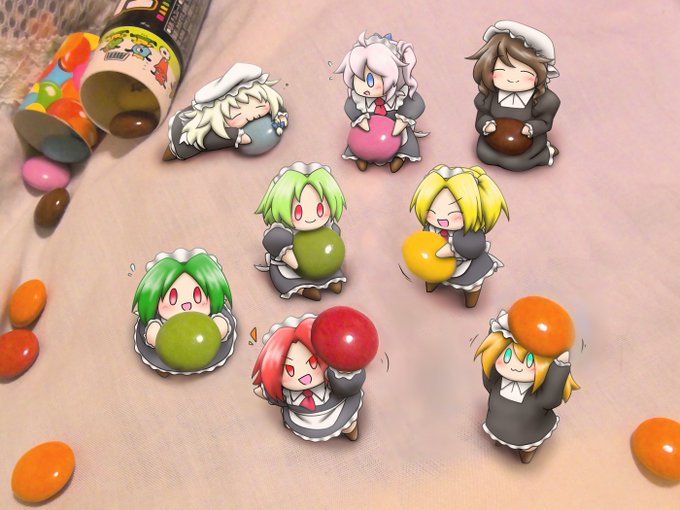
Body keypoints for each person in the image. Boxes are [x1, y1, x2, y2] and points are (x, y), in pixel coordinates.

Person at [252, 315, 364, 441]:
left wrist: (346, 370)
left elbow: (349, 385)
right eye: (290, 370)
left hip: (338, 411)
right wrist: (267, 392)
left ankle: (350, 429)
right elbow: (276, 395)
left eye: (312, 363)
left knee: (347, 425)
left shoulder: (332, 379)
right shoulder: (286, 392)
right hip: (301, 420)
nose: (304, 375)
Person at [409, 165, 508, 307]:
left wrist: (452, 249)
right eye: (432, 212)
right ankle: (432, 283)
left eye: (453, 214)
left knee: (472, 285)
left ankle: (471, 300)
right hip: (436, 263)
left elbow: (475, 246)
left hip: (466, 265)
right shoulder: (431, 227)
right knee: (432, 275)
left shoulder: (471, 232)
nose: (441, 219)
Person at [467, 20, 560, 171]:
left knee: (516, 164)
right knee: (484, 154)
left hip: (528, 144)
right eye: (502, 71)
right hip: (492, 141)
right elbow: (482, 115)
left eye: (523, 72)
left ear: (540, 74)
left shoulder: (543, 101)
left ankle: (545, 153)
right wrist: (486, 124)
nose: (512, 79)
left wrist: (530, 128)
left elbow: (545, 122)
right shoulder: (488, 97)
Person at [255, 162, 347, 301]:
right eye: (298, 212)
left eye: (320, 209)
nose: (310, 218)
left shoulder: (328, 227)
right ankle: (303, 289)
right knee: (285, 276)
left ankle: (332, 279)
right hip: (291, 269)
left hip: (325, 264)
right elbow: (271, 240)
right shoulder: (283, 231)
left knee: (331, 270)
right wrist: (287, 255)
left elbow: (336, 242)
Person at [336, 32, 426, 172]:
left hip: (394, 126)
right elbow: (350, 106)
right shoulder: (359, 99)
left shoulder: (400, 95)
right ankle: (360, 155)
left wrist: (402, 120)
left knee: (406, 139)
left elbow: (417, 103)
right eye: (358, 79)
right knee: (359, 137)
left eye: (370, 80)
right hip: (368, 128)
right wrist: (359, 118)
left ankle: (400, 156)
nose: (365, 88)